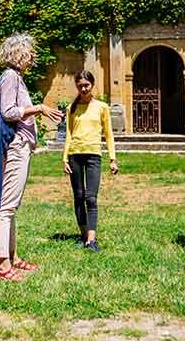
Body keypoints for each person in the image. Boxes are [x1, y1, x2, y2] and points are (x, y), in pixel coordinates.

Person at [0, 34, 63, 281]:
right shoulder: (10, 77)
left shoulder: (16, 78)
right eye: (30, 53)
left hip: (21, 146)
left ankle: (12, 255)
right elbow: (8, 112)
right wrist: (40, 108)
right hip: (15, 147)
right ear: (19, 54)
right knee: (7, 207)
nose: (33, 58)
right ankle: (2, 264)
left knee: (12, 205)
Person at [63, 70, 117, 253]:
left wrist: (112, 158)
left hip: (94, 154)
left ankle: (91, 240)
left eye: (86, 85)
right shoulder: (71, 108)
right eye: (80, 86)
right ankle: (83, 234)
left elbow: (108, 133)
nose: (83, 89)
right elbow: (68, 134)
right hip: (74, 155)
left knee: (91, 197)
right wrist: (64, 158)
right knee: (78, 196)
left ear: (92, 85)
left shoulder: (102, 107)